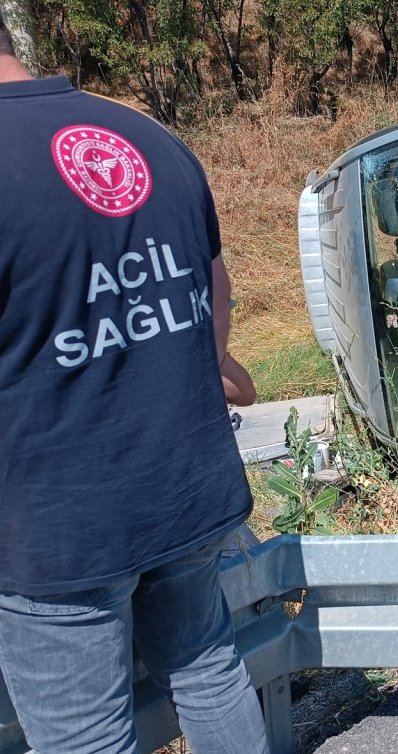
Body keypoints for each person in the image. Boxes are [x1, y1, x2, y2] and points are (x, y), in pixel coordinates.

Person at [0, 19, 269, 754]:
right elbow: (212, 294)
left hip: (58, 531)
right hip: (186, 489)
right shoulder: (145, 134)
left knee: (86, 737)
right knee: (211, 672)